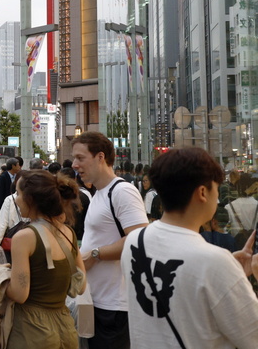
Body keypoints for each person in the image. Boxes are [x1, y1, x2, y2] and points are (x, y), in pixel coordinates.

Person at [120, 147, 258, 348]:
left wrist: (230, 274)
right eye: (216, 188)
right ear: (202, 192)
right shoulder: (214, 261)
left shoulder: (135, 241)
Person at [0, 170, 84, 348]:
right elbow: (81, 284)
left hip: (30, 330)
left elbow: (20, 293)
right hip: (65, 327)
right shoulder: (68, 232)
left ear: (30, 199)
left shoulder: (24, 237)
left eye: (18, 193)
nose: (16, 199)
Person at [73, 131, 148, 349]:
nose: (75, 165)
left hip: (115, 306)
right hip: (96, 302)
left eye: (80, 157)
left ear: (100, 157)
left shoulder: (122, 191)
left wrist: (95, 254)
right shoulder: (99, 193)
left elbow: (138, 239)